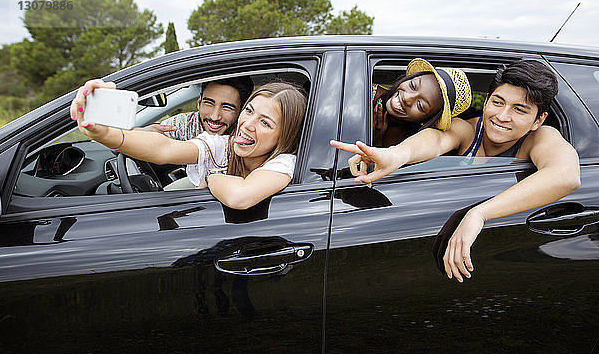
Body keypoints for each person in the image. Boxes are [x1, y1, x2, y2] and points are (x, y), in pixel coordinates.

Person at [330, 59, 581, 283]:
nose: (503, 116)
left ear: (538, 120)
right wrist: (395, 154)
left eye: (519, 109)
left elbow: (566, 175)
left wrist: (479, 213)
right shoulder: (468, 130)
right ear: (487, 101)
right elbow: (436, 140)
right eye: (497, 102)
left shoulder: (540, 138)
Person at [71, 80, 306, 210]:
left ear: (285, 135)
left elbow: (238, 196)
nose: (247, 125)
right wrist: (104, 133)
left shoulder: (285, 162)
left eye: (265, 122)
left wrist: (212, 177)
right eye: (249, 111)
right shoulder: (223, 146)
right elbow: (164, 149)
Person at [373, 58, 472, 147]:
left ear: (427, 120)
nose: (407, 98)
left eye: (420, 105)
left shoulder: (410, 145)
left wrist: (377, 139)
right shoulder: (367, 92)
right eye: (412, 85)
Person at [141, 76, 254, 138]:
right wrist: (140, 133)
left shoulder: (247, 135)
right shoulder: (185, 125)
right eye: (209, 103)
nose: (215, 117)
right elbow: (148, 135)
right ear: (199, 101)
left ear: (242, 109)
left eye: (227, 107)